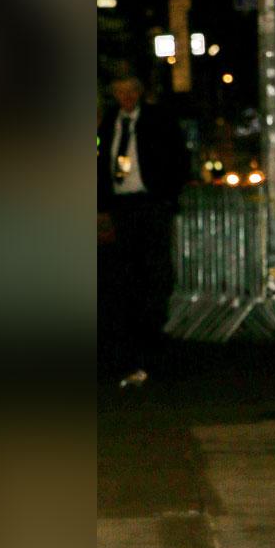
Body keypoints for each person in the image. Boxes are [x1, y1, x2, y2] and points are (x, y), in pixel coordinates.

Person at [97, 75, 186, 387]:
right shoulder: (109, 123)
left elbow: (177, 157)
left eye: (131, 91)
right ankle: (130, 342)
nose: (126, 97)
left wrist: (167, 195)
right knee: (123, 276)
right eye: (120, 92)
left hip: (151, 203)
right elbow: (99, 163)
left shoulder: (157, 120)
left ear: (139, 92)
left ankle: (152, 338)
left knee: (153, 272)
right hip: (122, 206)